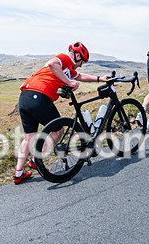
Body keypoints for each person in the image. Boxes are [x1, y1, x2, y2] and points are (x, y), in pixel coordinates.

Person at [13, 42, 110, 184]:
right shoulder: (65, 58)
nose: (81, 65)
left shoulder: (67, 69)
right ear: (76, 55)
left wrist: (99, 79)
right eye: (82, 61)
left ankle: (18, 174)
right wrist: (69, 83)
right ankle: (36, 159)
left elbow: (80, 76)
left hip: (25, 97)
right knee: (58, 130)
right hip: (39, 96)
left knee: (29, 138)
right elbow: (53, 64)